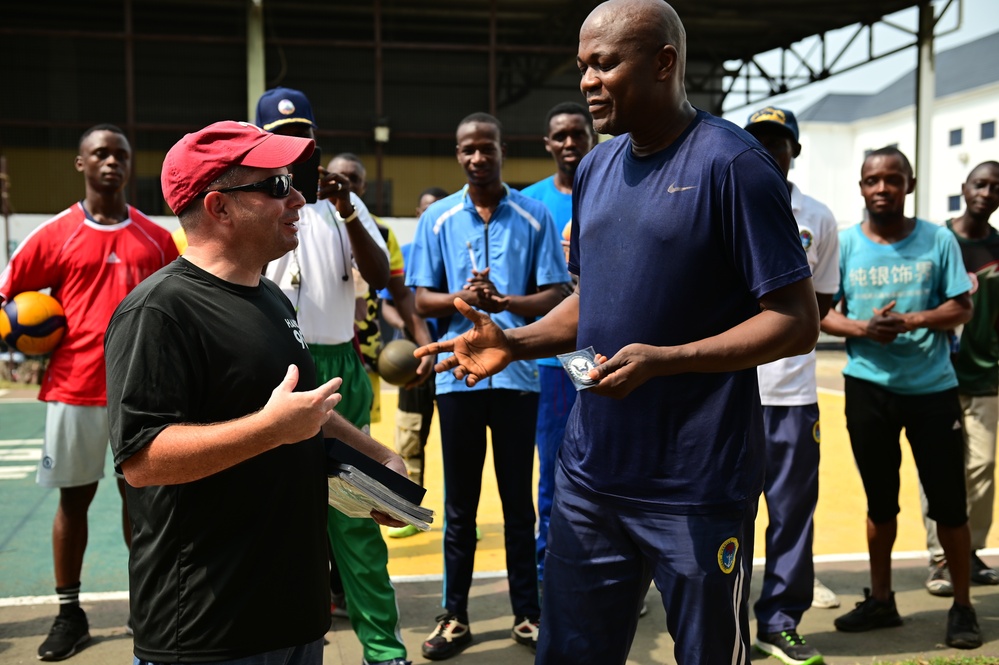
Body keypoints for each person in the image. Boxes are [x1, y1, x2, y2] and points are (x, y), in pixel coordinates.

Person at [413, 2, 821, 663]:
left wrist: (666, 360)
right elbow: (590, 305)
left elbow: (795, 322)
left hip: (697, 485)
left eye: (604, 63)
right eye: (581, 66)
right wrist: (514, 341)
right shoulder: (597, 171)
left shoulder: (735, 165)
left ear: (664, 62)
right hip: (588, 479)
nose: (586, 80)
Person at [105, 120, 407, 665]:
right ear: (218, 208)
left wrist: (378, 461)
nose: (297, 199)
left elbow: (308, 412)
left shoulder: (271, 298)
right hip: (207, 629)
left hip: (293, 617)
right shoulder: (159, 310)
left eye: (292, 182)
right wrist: (269, 430)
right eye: (274, 186)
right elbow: (142, 460)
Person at [0, 123, 179, 661]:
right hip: (74, 388)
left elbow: (179, 309)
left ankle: (145, 608)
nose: (111, 163)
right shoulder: (54, 234)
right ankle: (69, 613)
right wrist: (24, 333)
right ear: (80, 163)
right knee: (73, 500)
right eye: (99, 154)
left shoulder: (156, 238)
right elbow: (9, 298)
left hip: (141, 395)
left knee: (144, 504)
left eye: (120, 155)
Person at [255, 89, 413, 665]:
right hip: (275, 367)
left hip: (339, 365)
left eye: (302, 137)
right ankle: (288, 641)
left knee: (356, 520)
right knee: (282, 518)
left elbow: (383, 278)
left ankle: (383, 648)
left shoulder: (336, 203)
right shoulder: (257, 200)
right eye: (281, 139)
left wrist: (346, 209)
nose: (295, 151)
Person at [406, 112, 571, 659]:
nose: (478, 157)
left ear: (503, 149)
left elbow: (553, 294)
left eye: (487, 147)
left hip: (519, 376)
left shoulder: (535, 215)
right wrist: (465, 298)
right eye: (468, 149)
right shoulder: (437, 220)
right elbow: (419, 298)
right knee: (461, 506)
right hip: (459, 380)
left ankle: (527, 614)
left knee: (517, 503)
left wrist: (505, 305)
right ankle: (455, 616)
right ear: (458, 155)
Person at [821, 146, 981, 649]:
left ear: (909, 184)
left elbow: (962, 307)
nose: (882, 188)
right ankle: (883, 600)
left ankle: (962, 606)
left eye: (893, 179)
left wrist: (910, 320)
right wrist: (865, 328)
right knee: (879, 503)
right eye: (873, 180)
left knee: (950, 506)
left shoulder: (938, 240)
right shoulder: (845, 244)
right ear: (862, 187)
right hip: (868, 389)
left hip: (932, 391)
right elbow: (822, 314)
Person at [742, 106, 840, 665]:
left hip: (792, 397)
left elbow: (818, 307)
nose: (767, 150)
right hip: (730, 388)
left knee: (791, 513)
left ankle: (778, 621)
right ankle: (724, 615)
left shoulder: (819, 218)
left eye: (777, 142)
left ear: (794, 150)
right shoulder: (727, 201)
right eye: (756, 141)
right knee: (725, 509)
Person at [520, 101, 594, 583]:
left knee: (602, 457)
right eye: (559, 136)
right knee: (553, 465)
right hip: (554, 357)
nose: (569, 143)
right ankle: (551, 568)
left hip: (600, 354)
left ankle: (605, 563)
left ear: (591, 137)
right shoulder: (530, 203)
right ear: (548, 144)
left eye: (576, 134)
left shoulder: (612, 185)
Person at [921, 160, 999, 597]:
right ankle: (939, 558)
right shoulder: (937, 239)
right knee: (939, 471)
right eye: (980, 184)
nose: (986, 192)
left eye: (995, 187)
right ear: (964, 187)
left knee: (983, 467)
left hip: (984, 375)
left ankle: (968, 552)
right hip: (937, 376)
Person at [383, 186, 450, 539]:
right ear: (417, 212)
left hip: (452, 361)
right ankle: (409, 510)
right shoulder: (405, 253)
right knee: (410, 438)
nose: (431, 216)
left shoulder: (456, 255)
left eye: (438, 210)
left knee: (457, 442)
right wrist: (407, 326)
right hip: (413, 361)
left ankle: (458, 515)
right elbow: (388, 303)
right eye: (425, 209)